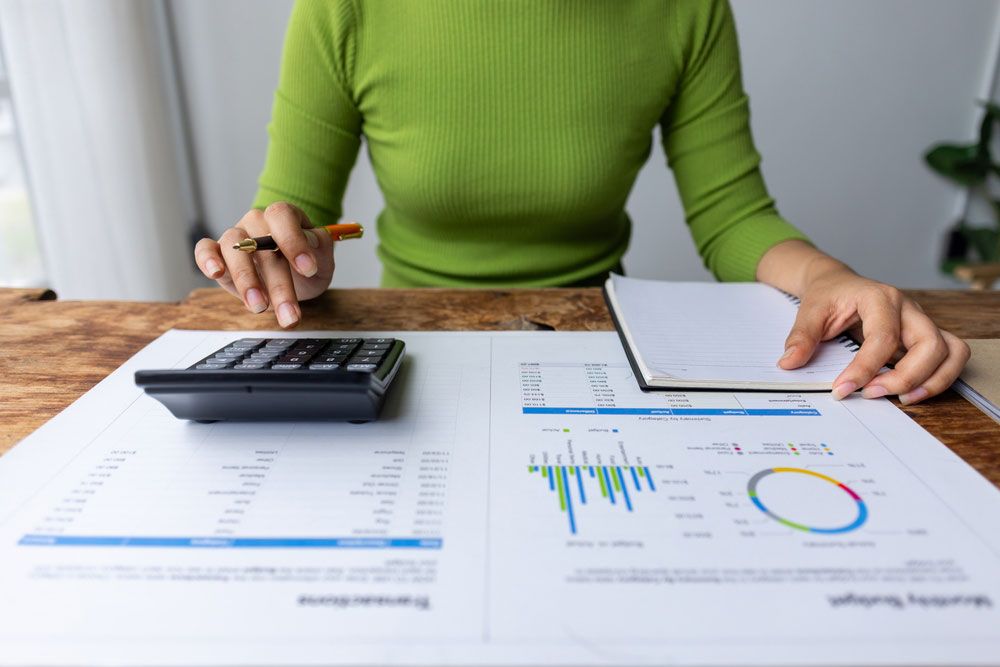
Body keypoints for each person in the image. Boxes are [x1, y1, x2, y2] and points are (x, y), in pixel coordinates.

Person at [193, 0, 969, 405]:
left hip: (602, 353)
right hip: (412, 349)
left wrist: (830, 279)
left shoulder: (686, 8)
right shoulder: (344, 6)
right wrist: (286, 258)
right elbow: (295, 213)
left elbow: (732, 212)